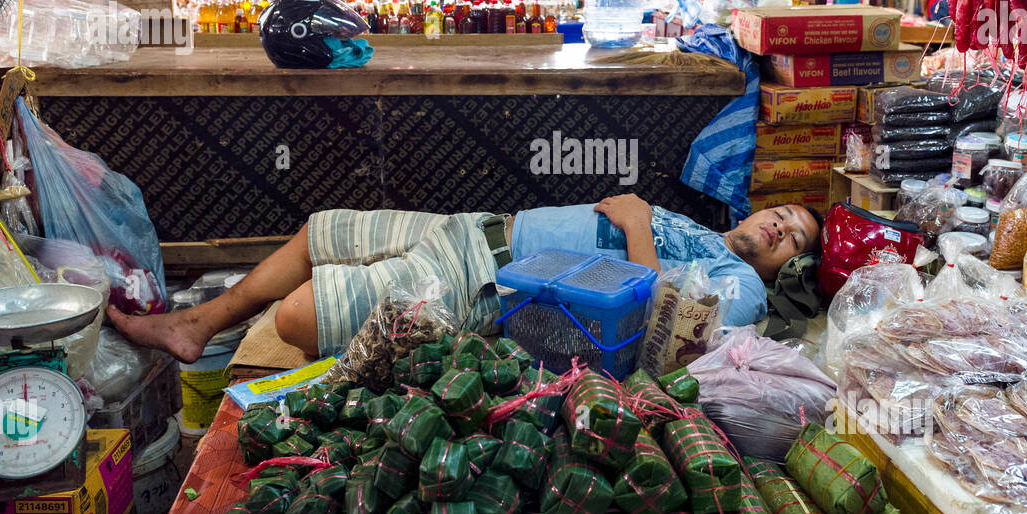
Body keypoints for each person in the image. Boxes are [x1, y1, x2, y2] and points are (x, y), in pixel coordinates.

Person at [109, 196, 822, 362]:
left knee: (300, 315)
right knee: (323, 228)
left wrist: (637, 225)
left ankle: (219, 332)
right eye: (782, 213)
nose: (779, 226)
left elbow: (662, 327)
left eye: (793, 238)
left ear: (788, 265)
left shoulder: (745, 287)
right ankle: (195, 324)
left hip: (492, 281)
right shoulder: (703, 231)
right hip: (476, 225)